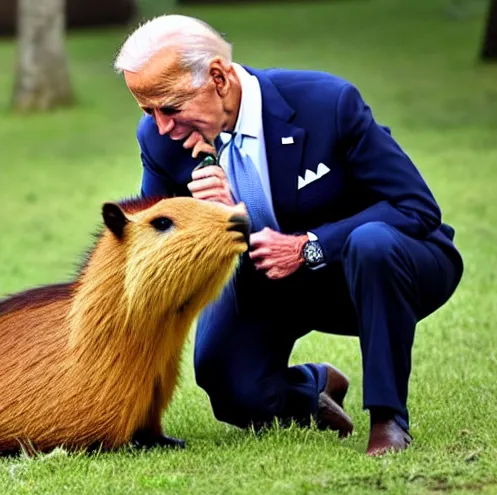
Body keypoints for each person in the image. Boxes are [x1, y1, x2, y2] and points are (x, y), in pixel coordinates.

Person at [113, 14, 464, 455]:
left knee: (371, 241)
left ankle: (388, 420)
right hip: (270, 278)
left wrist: (311, 246)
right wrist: (212, 218)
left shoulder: (326, 102)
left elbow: (415, 207)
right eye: (148, 111)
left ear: (218, 77)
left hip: (384, 265)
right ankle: (312, 389)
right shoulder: (161, 141)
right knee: (232, 389)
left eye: (170, 107)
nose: (162, 126)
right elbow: (152, 248)